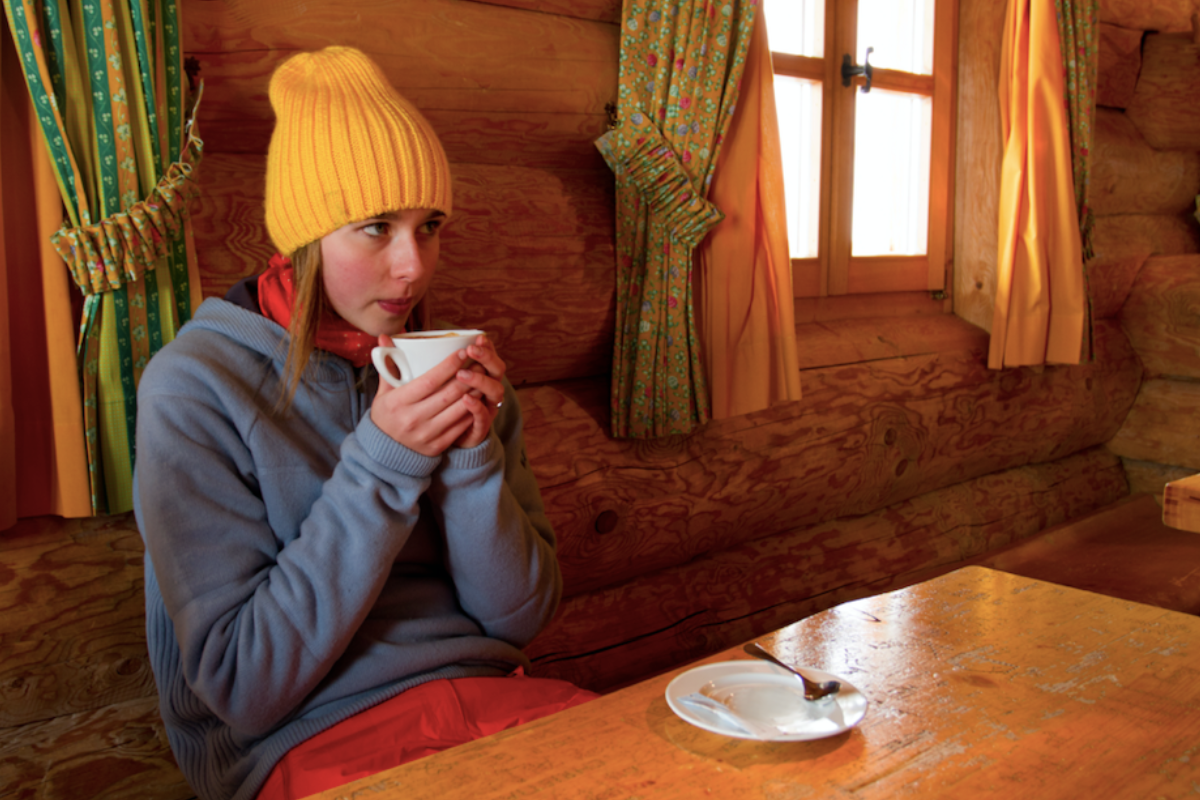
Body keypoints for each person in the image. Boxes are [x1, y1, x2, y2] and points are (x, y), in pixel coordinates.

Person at [133, 46, 594, 800]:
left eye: (430, 225)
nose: (414, 267)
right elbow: (245, 686)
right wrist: (386, 460)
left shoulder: (446, 368)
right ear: (304, 240)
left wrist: (474, 465)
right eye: (376, 227)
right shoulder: (193, 388)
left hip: (492, 696)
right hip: (306, 738)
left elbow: (518, 621)